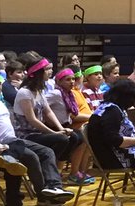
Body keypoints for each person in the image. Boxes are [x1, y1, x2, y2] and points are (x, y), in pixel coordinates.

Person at [0, 74, 75, 206]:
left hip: (15, 140)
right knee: (32, 157)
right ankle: (43, 196)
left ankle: (54, 186)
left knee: (47, 152)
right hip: (0, 144)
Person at [12, 52, 90, 185]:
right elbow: (32, 119)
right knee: (61, 139)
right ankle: (49, 173)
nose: (50, 72)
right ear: (38, 73)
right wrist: (53, 132)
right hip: (26, 135)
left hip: (38, 132)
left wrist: (61, 128)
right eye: (46, 70)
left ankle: (54, 171)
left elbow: (48, 111)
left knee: (76, 137)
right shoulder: (24, 92)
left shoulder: (39, 91)